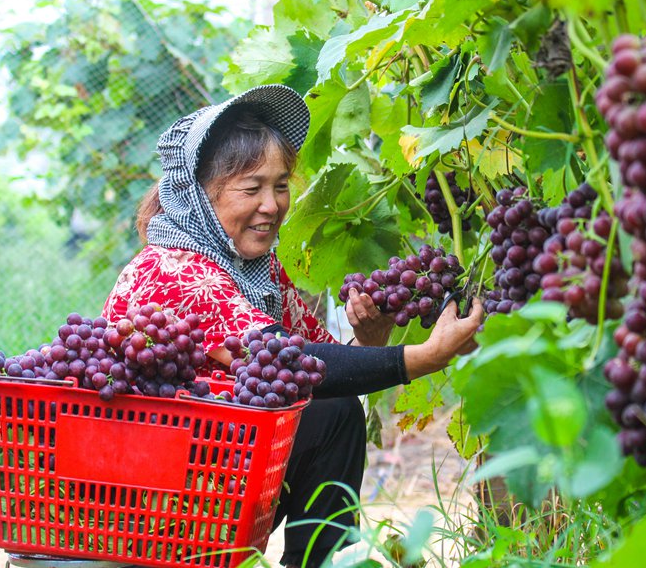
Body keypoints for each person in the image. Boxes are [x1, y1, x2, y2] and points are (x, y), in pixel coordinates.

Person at [102, 84, 483, 568]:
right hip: (151, 500)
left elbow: (317, 366)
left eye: (280, 186)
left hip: (208, 481)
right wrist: (422, 358)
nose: (272, 205)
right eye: (252, 188)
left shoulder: (254, 270)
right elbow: (293, 362)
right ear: (197, 195)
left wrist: (370, 340)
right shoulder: (175, 270)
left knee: (331, 410)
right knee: (332, 411)